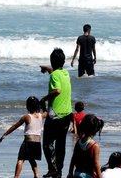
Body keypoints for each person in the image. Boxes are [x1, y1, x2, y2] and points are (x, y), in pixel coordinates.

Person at [40, 48, 72, 178]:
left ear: (52, 61)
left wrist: (44, 98)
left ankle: (52, 168)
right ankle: (58, 170)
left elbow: (57, 90)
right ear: (63, 61)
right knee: (61, 143)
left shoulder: (54, 75)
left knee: (47, 143)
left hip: (55, 114)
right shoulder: (65, 73)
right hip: (67, 113)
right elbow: (55, 73)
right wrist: (47, 68)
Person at [0, 96, 47, 178]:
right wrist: (43, 105)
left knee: (21, 159)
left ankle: (16, 176)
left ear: (28, 106)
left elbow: (15, 126)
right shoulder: (41, 116)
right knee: (32, 159)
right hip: (37, 142)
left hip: (28, 141)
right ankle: (36, 175)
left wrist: (5, 134)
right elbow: (46, 112)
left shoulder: (27, 117)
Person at [67, 114, 105, 178]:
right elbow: (96, 164)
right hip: (88, 175)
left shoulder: (78, 142)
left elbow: (73, 159)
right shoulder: (94, 146)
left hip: (77, 174)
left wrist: (70, 173)